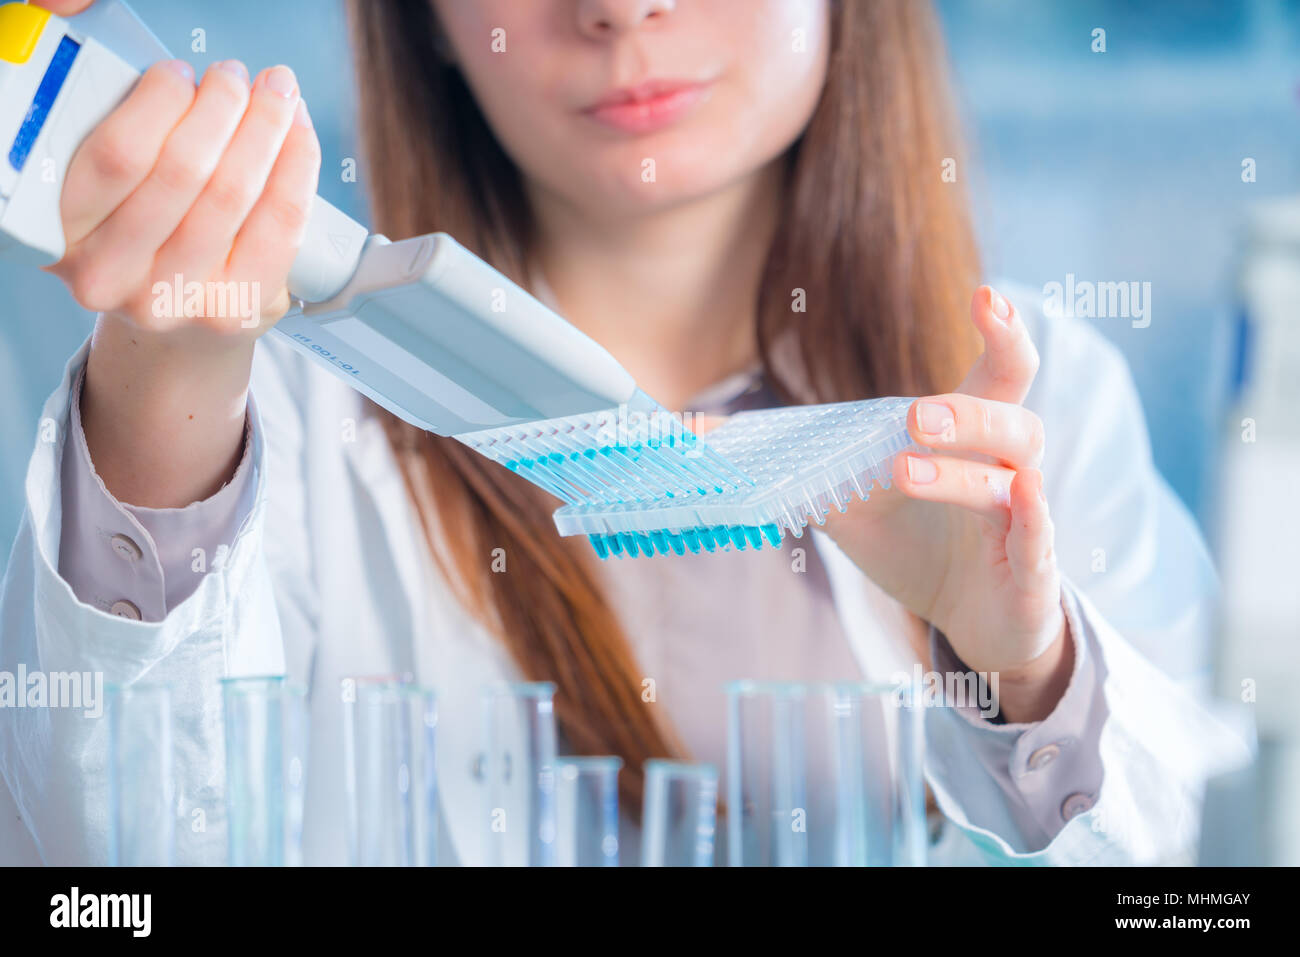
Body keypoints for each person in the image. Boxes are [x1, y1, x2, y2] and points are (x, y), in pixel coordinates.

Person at [0, 0, 1247, 865]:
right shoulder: (277, 421)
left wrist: (1018, 671)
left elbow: (1192, 881)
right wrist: (170, 373)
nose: (618, 10)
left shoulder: (1032, 403)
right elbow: (108, 880)